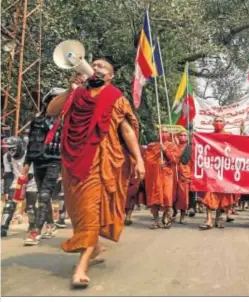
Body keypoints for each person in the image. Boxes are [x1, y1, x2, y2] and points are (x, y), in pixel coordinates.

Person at [46, 58, 145, 288]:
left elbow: (127, 131)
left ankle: (81, 266)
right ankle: (96, 247)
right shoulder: (77, 94)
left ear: (110, 76)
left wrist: (138, 159)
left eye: (102, 67)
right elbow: (51, 110)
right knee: (78, 211)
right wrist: (71, 89)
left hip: (100, 163)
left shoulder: (115, 97)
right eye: (94, 64)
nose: (96, 67)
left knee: (90, 212)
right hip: (72, 162)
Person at [23, 88, 66, 245]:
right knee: (43, 195)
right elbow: (31, 142)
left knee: (44, 195)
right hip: (37, 160)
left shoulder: (65, 120)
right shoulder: (37, 120)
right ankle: (50, 224)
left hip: (54, 161)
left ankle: (36, 231)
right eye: (54, 99)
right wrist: (26, 163)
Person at [200, 116, 236, 229]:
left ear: (224, 124)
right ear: (213, 123)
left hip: (225, 171)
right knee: (209, 194)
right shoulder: (208, 137)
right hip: (211, 169)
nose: (218, 123)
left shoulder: (230, 137)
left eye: (221, 121)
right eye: (216, 121)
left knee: (222, 196)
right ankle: (209, 220)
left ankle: (218, 219)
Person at [1, 136, 37, 238]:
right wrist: (6, 191)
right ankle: (3, 228)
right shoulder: (7, 157)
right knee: (9, 205)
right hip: (17, 181)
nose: (11, 150)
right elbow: (8, 174)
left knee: (30, 208)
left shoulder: (29, 156)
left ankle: (33, 226)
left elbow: (30, 174)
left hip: (31, 182)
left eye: (13, 148)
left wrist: (23, 188)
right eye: (9, 148)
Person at [144, 132, 177, 229]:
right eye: (161, 131)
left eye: (165, 131)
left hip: (167, 174)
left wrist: (165, 150)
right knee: (154, 197)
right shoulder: (151, 146)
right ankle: (156, 220)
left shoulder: (172, 146)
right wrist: (157, 164)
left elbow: (175, 161)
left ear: (169, 134)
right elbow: (147, 160)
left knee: (167, 196)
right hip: (154, 175)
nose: (163, 134)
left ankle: (166, 217)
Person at [173, 129, 192, 224]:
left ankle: (183, 215)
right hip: (173, 174)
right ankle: (174, 213)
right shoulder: (174, 146)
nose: (182, 137)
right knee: (172, 195)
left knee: (183, 197)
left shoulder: (189, 148)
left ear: (188, 138)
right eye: (181, 135)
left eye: (185, 135)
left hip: (185, 174)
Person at [125, 146, 146, 226]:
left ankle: (128, 217)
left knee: (132, 197)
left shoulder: (141, 150)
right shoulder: (120, 147)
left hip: (134, 176)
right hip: (123, 175)